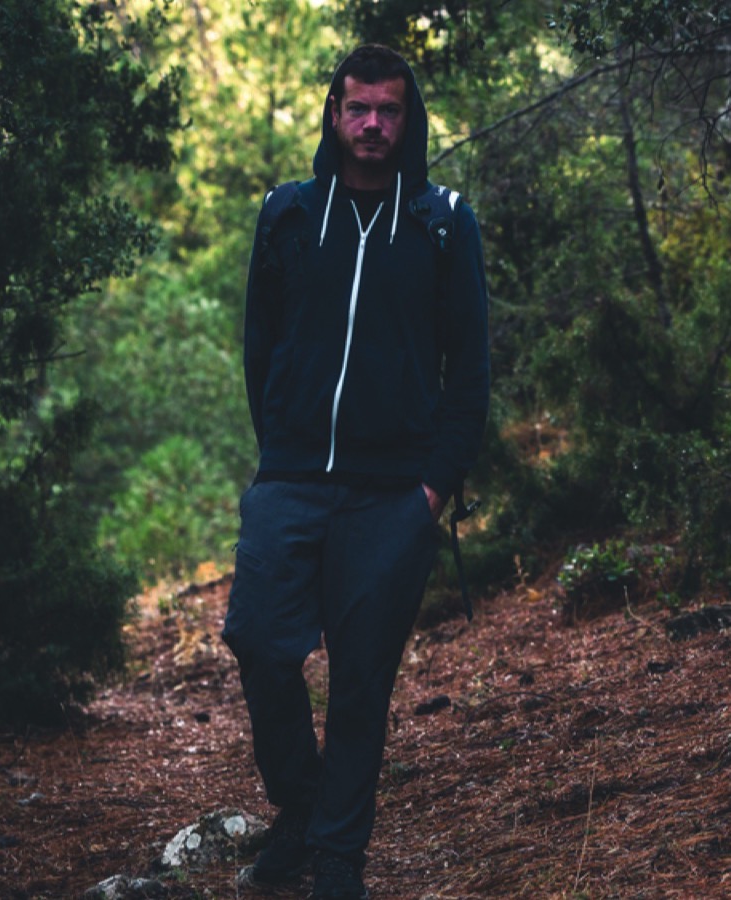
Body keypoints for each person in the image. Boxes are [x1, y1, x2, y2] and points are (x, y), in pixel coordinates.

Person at [221, 44, 490, 900]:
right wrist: (282, 454)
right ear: (334, 115)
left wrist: (431, 490)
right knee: (261, 645)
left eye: (390, 110)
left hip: (392, 495)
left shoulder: (443, 222)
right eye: (358, 108)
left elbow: (471, 368)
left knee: (362, 683)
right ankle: (301, 811)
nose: (373, 124)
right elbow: (259, 345)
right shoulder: (289, 214)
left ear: (409, 121)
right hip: (291, 481)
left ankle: (338, 858)